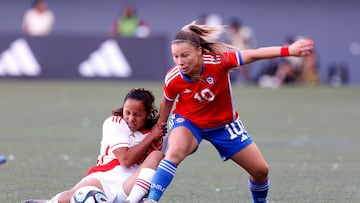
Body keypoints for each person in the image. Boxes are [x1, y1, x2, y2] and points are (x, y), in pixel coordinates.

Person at [143, 22, 314, 203]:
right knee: (175, 151)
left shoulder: (219, 61)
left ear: (199, 51)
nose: (180, 61)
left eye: (184, 55)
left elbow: (254, 54)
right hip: (189, 122)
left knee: (261, 171)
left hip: (224, 126)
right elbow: (167, 100)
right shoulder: (173, 77)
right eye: (175, 56)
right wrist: (160, 127)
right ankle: (152, 200)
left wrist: (289, 51)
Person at [23, 88, 167, 203]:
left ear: (148, 114)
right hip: (104, 178)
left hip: (132, 184)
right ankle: (50, 202)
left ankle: (131, 201)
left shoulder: (159, 133)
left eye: (137, 114)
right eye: (127, 112)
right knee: (70, 198)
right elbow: (126, 160)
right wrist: (151, 137)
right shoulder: (114, 123)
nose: (130, 118)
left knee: (157, 156)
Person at [225, 17, 256, 84]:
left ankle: (246, 80)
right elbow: (228, 43)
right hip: (234, 52)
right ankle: (232, 79)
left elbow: (247, 42)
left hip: (244, 51)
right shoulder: (230, 33)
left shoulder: (245, 31)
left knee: (243, 66)